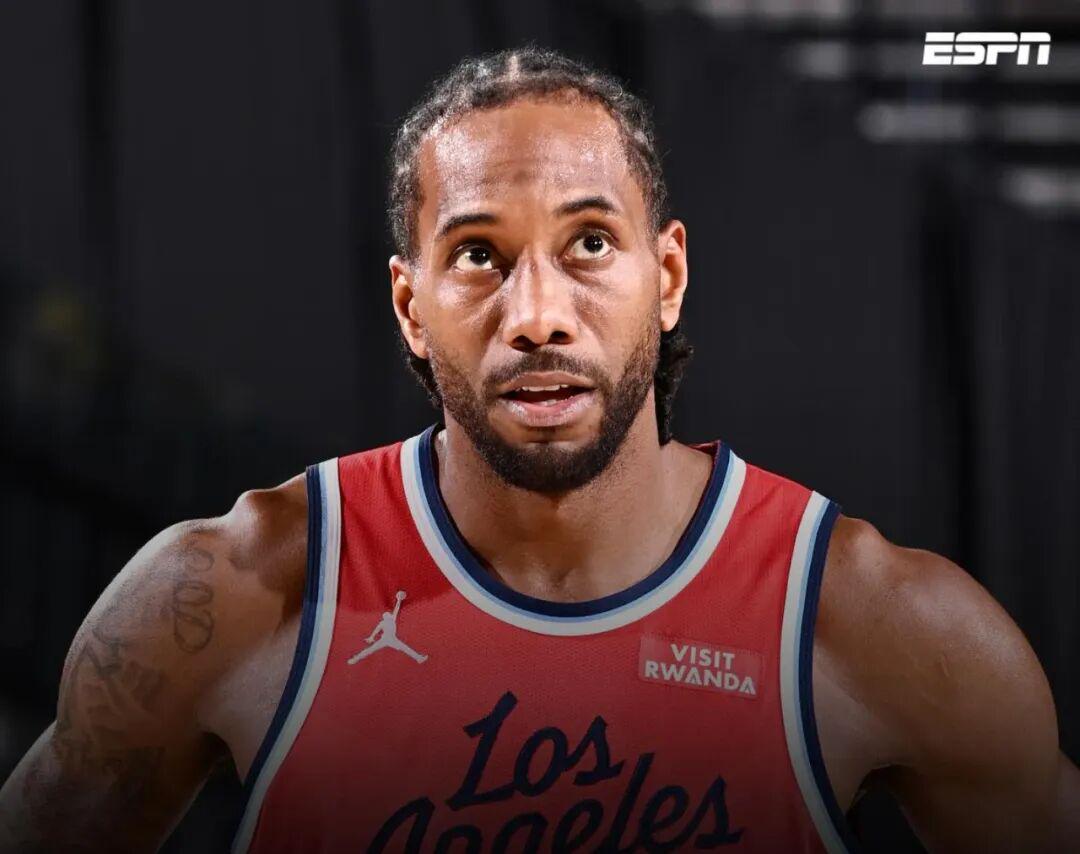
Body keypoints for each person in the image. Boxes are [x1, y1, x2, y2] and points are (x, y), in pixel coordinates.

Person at [1, 47, 1077, 854]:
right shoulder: (233, 594)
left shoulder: (876, 623)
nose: (538, 315)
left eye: (589, 243)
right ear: (410, 306)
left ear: (667, 277)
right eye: (479, 255)